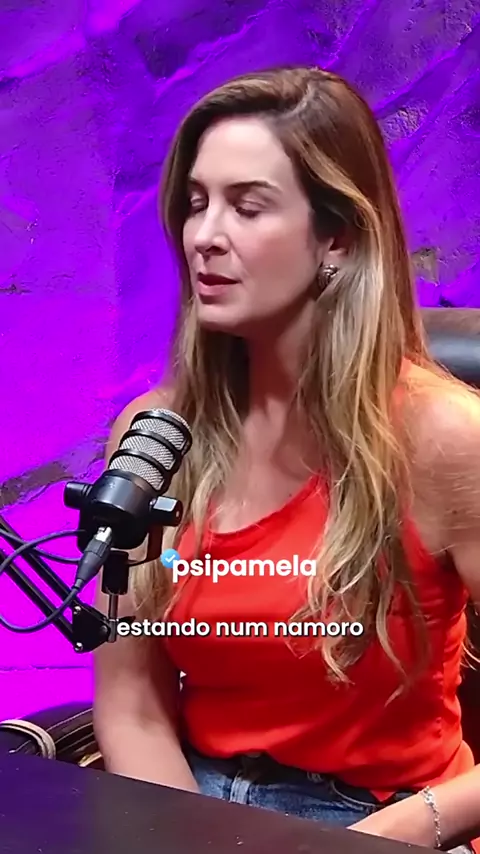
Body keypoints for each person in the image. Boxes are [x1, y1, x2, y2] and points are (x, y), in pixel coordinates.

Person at [93, 66, 480, 850]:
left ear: (337, 236)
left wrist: (401, 829)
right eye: (196, 203)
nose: (204, 236)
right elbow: (131, 704)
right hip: (191, 803)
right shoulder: (154, 433)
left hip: (384, 816)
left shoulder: (447, 438)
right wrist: (189, 838)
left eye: (247, 206)